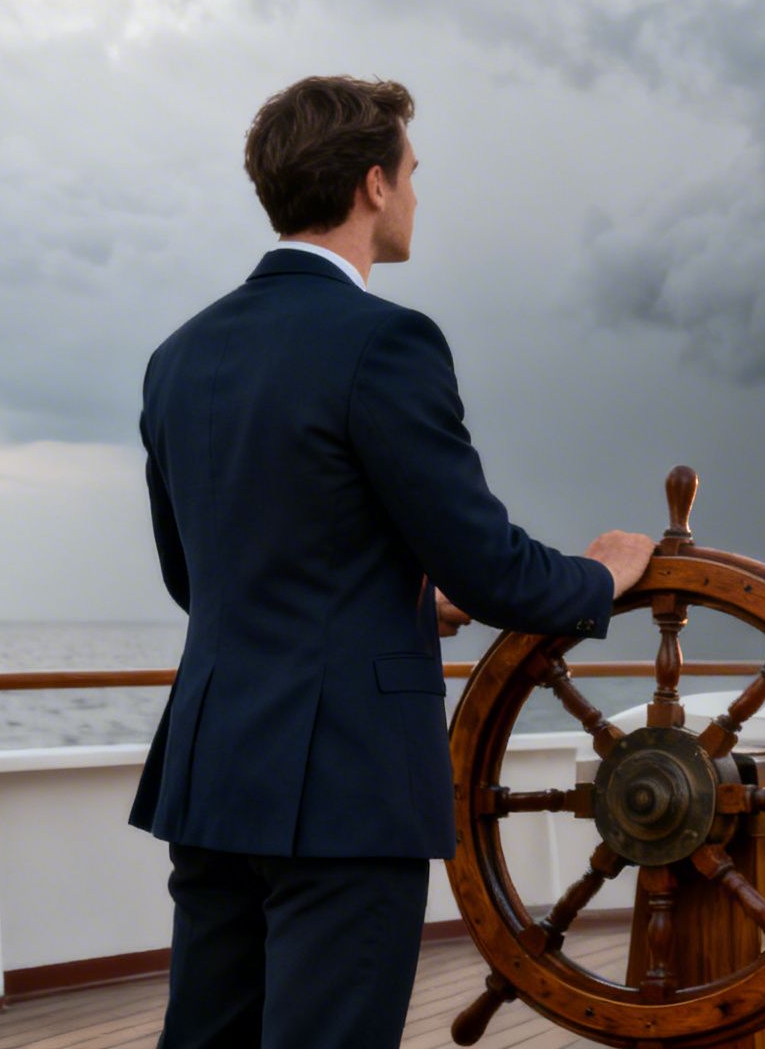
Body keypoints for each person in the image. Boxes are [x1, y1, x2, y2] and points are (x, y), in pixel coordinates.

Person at [131, 74, 654, 1049]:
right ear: (372, 186)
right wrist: (607, 575)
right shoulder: (385, 342)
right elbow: (496, 570)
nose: (417, 194)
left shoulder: (179, 356)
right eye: (412, 172)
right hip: (343, 786)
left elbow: (201, 578)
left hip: (212, 769)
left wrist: (405, 596)